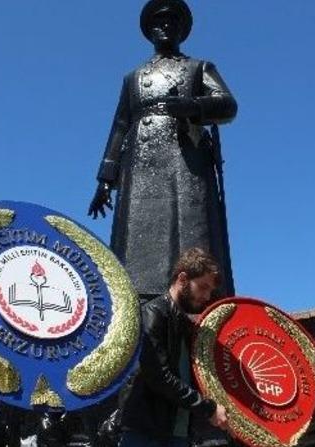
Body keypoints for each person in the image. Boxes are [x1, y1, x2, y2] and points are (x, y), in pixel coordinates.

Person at [88, 0, 238, 299]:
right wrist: (105, 179)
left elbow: (227, 104)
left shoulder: (199, 68)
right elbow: (120, 125)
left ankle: (194, 295)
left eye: (172, 22)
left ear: (182, 30)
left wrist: (192, 106)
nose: (166, 27)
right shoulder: (133, 78)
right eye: (159, 22)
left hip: (186, 162)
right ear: (150, 31)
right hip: (140, 164)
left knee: (190, 236)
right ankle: (139, 300)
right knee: (136, 248)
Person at [118, 247, 229, 447]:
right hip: (148, 437)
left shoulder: (186, 325)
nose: (207, 297)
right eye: (203, 287)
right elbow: (158, 376)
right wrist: (208, 408)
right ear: (182, 278)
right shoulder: (153, 314)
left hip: (178, 438)